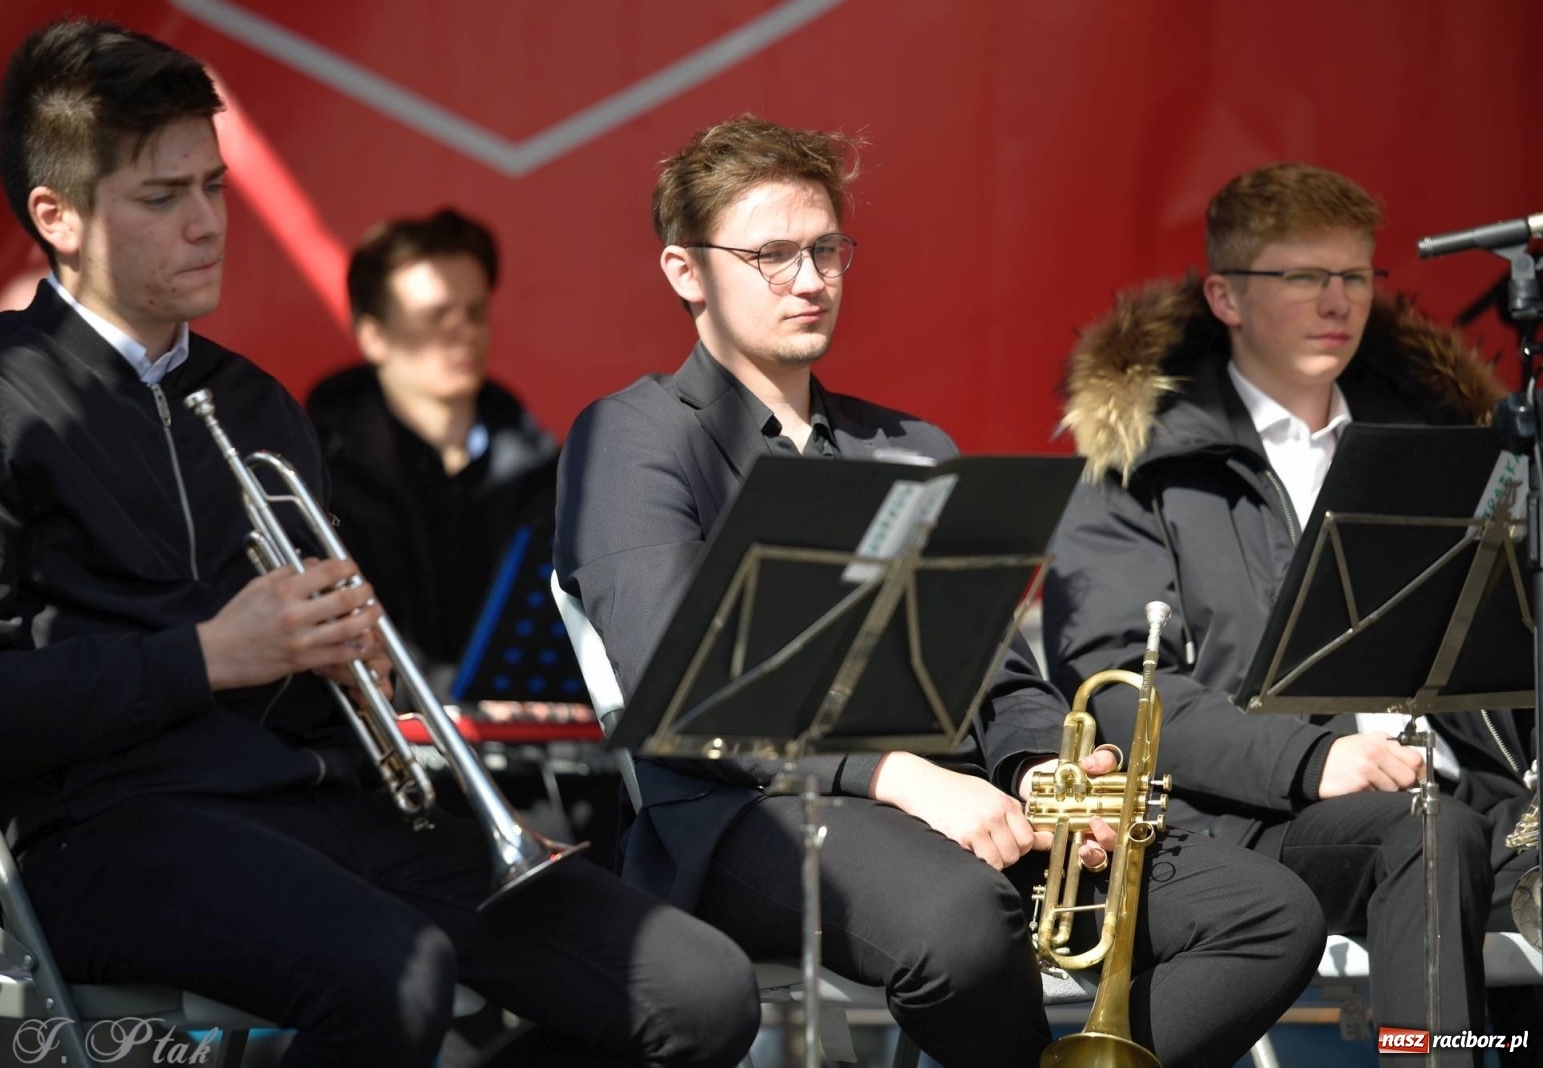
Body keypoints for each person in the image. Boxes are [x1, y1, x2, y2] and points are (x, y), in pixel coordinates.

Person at [0, 19, 758, 1067]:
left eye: (215, 187)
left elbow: (307, 689)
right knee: (397, 979)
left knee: (698, 988)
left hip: (315, 805)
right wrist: (206, 657)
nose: (206, 225)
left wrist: (356, 671)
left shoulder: (258, 404)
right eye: (163, 197)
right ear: (55, 217)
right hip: (108, 832)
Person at [554, 115, 1327, 1068]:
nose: (809, 280)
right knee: (964, 925)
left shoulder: (913, 446)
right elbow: (683, 692)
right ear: (685, 272)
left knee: (1266, 912)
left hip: (959, 795)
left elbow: (994, 671)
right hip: (747, 809)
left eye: (826, 250)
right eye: (770, 255)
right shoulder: (632, 436)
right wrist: (899, 779)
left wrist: (1041, 765)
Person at [1041, 161, 1538, 1061]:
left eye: (1353, 275)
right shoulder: (1141, 464)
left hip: (1482, 801)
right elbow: (1116, 688)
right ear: (1225, 296)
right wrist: (1312, 759)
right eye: (1302, 277)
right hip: (1262, 817)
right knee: (1427, 831)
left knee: (1445, 825)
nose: (1336, 301)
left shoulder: (1443, 443)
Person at [308, 209, 558, 697]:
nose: (464, 331)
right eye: (434, 317)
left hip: (535, 758)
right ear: (372, 336)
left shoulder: (543, 471)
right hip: (386, 756)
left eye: (475, 312)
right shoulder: (321, 477)